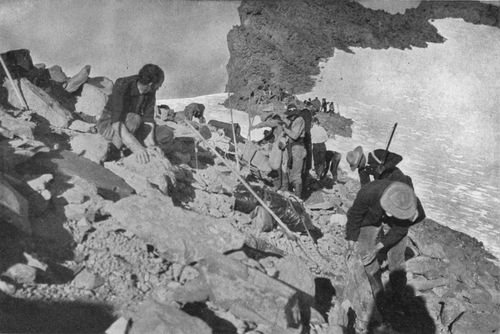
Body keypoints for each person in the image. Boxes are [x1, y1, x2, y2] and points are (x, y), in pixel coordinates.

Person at [345, 180, 426, 300]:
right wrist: (351, 239)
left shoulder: (410, 205)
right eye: (390, 210)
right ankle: (378, 294)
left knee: (396, 257)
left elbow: (400, 230)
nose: (389, 213)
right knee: (365, 254)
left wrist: (379, 247)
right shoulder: (368, 193)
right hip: (370, 218)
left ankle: (398, 294)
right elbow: (355, 215)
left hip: (398, 222)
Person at [97, 64, 164, 164]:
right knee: (134, 119)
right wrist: (136, 147)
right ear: (150, 84)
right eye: (158, 85)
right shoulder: (122, 85)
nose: (159, 87)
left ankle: (127, 146)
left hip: (131, 127)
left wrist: (151, 145)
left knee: (165, 133)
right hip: (109, 125)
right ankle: (114, 151)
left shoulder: (150, 91)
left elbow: (148, 120)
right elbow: (116, 122)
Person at [281, 104, 307, 198]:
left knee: (296, 175)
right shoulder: (293, 121)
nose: (290, 117)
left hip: (298, 148)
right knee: (287, 169)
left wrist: (285, 130)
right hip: (291, 148)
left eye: (291, 115)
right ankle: (286, 191)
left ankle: (297, 199)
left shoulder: (299, 120)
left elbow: (295, 135)